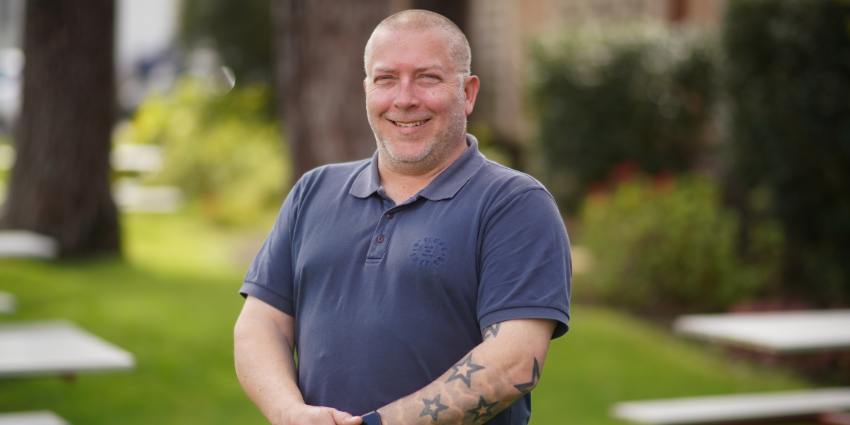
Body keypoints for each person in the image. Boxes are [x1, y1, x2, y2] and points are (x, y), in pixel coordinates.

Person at [234, 9, 570, 425]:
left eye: (427, 77)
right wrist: (288, 413)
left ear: (467, 92)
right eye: (386, 78)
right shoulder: (313, 191)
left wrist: (376, 424)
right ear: (367, 90)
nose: (405, 97)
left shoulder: (515, 204)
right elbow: (261, 322)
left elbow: (514, 362)